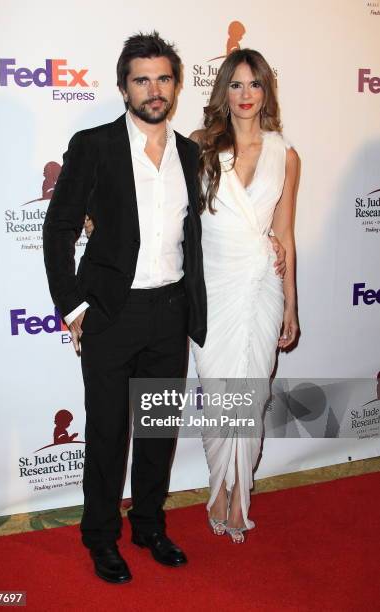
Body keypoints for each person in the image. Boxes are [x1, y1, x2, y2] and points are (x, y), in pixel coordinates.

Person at [43, 32, 208, 584]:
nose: (154, 89)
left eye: (163, 78)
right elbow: (60, 227)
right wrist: (72, 307)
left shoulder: (190, 153)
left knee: (158, 430)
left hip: (170, 312)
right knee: (109, 434)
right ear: (122, 87)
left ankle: (149, 525)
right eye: (142, 79)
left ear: (176, 85)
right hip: (111, 314)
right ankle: (100, 538)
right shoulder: (93, 145)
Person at [190, 49, 299, 543]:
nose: (246, 95)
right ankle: (219, 484)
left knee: (249, 395)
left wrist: (292, 305)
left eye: (255, 84)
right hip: (212, 287)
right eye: (236, 85)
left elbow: (286, 233)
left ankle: (238, 498)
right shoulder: (199, 146)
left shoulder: (286, 154)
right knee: (219, 394)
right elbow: (175, 220)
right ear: (223, 93)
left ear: (266, 91)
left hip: (261, 285)